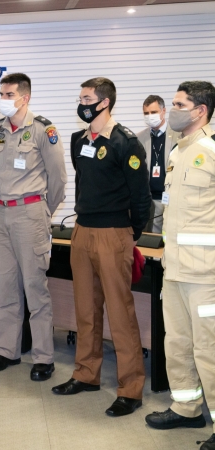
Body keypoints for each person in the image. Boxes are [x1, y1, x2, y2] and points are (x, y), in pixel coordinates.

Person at [51, 78, 151, 418]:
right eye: (80, 97)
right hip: (82, 232)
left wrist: (131, 234)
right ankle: (86, 374)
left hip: (114, 234)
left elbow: (140, 197)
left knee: (121, 314)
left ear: (104, 102)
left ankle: (131, 388)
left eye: (87, 98)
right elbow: (84, 180)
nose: (81, 103)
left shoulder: (125, 142)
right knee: (86, 310)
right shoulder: (80, 139)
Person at [144, 81, 215, 450]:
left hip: (207, 273)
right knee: (179, 343)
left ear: (200, 110)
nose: (171, 110)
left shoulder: (211, 149)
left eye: (178, 104)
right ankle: (187, 409)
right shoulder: (179, 150)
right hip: (175, 269)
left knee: (210, 348)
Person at [0, 73, 67, 381]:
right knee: (6, 287)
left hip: (30, 213)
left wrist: (44, 212)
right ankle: (8, 350)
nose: (3, 99)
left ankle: (43, 356)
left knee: (35, 288)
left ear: (24, 97)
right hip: (1, 215)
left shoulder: (44, 130)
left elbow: (58, 179)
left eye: (9, 94)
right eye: (1, 94)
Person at [136, 95, 176, 233]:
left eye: (153, 112)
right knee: (150, 239)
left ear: (163, 111)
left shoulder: (179, 136)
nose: (149, 116)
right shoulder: (138, 138)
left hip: (171, 198)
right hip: (149, 200)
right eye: (146, 113)